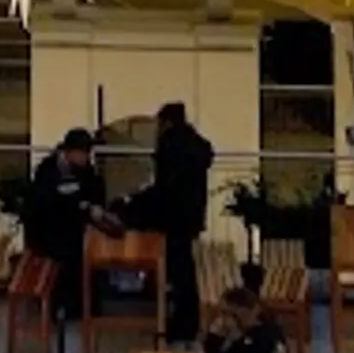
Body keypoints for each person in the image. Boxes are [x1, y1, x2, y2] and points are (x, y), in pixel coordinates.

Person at [127, 98, 218, 340]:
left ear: (166, 122)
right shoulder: (196, 147)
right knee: (184, 270)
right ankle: (188, 320)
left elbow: (164, 187)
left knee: (178, 272)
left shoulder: (171, 146)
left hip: (172, 217)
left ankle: (182, 325)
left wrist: (137, 204)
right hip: (190, 217)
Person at [18, 127, 122, 332]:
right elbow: (43, 205)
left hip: (75, 228)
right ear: (70, 152)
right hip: (48, 233)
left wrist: (92, 209)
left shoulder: (86, 172)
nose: (86, 158)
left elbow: (94, 193)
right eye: (84, 153)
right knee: (69, 254)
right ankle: (63, 306)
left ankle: (85, 305)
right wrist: (78, 205)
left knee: (88, 250)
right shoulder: (48, 170)